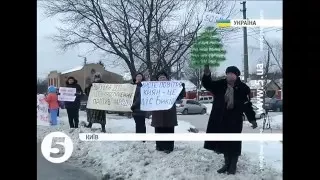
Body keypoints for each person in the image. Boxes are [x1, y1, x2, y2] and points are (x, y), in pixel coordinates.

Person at [202, 65, 257, 175]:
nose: (230, 75)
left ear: (236, 76)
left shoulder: (243, 88)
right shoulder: (220, 84)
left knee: (234, 143)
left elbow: (247, 105)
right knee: (224, 143)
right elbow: (207, 85)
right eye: (228, 73)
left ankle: (233, 165)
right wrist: (207, 75)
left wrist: (252, 119)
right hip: (220, 119)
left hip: (235, 120)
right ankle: (226, 164)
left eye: (232, 73)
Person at [151, 71, 186, 154]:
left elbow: (180, 96)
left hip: (169, 113)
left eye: (163, 77)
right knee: (158, 129)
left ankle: (168, 147)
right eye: (160, 77)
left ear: (167, 78)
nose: (162, 79)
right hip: (158, 113)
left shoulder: (173, 87)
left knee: (168, 129)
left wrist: (182, 87)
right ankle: (159, 146)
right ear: (157, 80)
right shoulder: (152, 88)